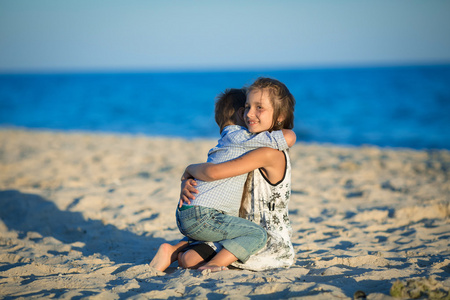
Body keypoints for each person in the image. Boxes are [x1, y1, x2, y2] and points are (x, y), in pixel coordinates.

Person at [149, 87, 296, 272]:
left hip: (266, 236)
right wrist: (189, 175)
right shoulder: (247, 141)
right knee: (241, 238)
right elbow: (214, 174)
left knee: (189, 260)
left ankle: (174, 250)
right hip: (228, 223)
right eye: (247, 107)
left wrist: (190, 170)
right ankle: (211, 264)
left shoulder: (260, 149)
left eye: (259, 107)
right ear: (241, 113)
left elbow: (213, 172)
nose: (250, 113)